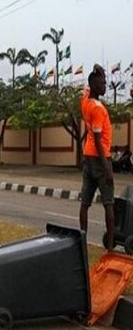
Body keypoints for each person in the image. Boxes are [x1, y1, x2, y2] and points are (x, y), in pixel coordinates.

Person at [80, 64, 115, 251]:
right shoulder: (98, 109)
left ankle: (82, 242)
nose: (105, 86)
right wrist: (108, 169)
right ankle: (110, 249)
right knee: (108, 204)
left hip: (87, 157)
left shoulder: (85, 100)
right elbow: (100, 142)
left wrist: (98, 70)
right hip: (101, 160)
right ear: (94, 85)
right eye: (102, 83)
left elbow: (88, 87)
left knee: (85, 203)